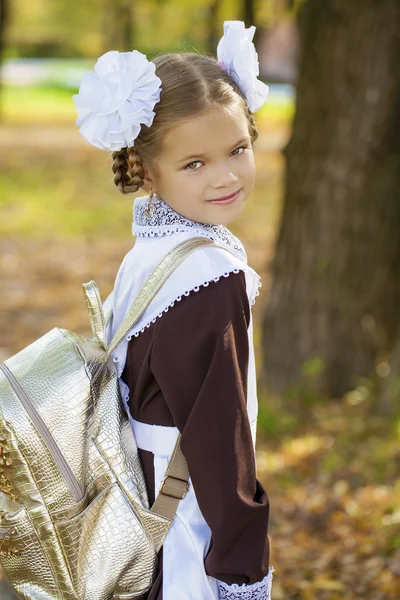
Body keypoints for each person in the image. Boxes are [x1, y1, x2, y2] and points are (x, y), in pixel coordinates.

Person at [73, 20, 274, 600]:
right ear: (146, 170)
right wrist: (243, 573)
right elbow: (220, 443)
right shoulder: (209, 277)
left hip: (130, 519)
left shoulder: (152, 252)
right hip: (182, 536)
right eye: (195, 164)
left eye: (238, 149)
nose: (227, 176)